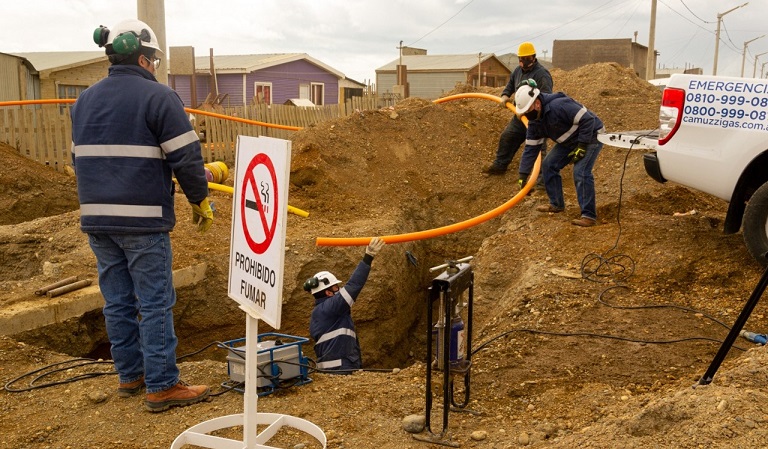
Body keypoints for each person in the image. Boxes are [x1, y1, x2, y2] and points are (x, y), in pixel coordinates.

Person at [70, 19, 214, 412]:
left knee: (116, 301)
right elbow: (185, 157)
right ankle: (163, 385)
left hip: (97, 221)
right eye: (153, 58)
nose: (154, 65)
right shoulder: (159, 97)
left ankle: (130, 375)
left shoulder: (84, 100)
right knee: (153, 303)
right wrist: (199, 200)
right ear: (143, 57)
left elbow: (76, 158)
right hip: (142, 220)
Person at [514, 80, 605, 227]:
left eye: (527, 110)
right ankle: (556, 204)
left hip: (591, 135)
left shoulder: (559, 105)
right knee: (549, 165)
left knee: (580, 172)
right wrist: (523, 176)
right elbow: (530, 149)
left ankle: (588, 215)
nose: (526, 115)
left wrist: (582, 145)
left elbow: (588, 120)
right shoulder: (535, 121)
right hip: (569, 140)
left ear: (537, 103)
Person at [305, 237, 386, 373]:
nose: (339, 290)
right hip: (340, 370)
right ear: (328, 292)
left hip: (335, 369)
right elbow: (354, 285)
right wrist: (368, 257)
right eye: (336, 287)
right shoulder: (331, 307)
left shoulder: (321, 311)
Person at [484, 41, 553, 186]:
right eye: (521, 59)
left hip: (536, 119)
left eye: (526, 59)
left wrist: (530, 111)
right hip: (519, 116)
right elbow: (510, 86)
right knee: (507, 137)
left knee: (539, 149)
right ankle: (500, 165)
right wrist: (505, 95)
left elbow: (546, 97)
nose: (523, 62)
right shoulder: (517, 71)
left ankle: (541, 183)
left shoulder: (542, 75)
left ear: (533, 58)